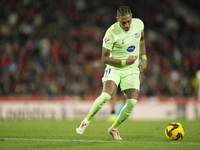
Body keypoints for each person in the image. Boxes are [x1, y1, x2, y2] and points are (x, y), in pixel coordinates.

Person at [76, 5, 147, 140]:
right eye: (123, 22)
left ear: (131, 17)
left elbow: (142, 41)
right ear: (117, 19)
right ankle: (86, 121)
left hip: (132, 69)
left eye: (128, 21)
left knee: (131, 103)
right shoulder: (110, 33)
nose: (126, 25)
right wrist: (125, 62)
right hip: (114, 67)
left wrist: (144, 58)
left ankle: (114, 128)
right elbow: (104, 58)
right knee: (106, 96)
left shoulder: (139, 24)